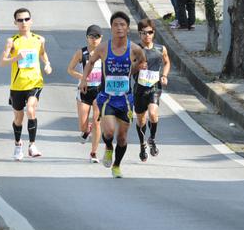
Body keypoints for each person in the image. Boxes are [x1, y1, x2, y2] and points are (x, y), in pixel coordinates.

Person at [79, 11, 146, 178]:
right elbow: (90, 62)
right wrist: (84, 80)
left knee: (122, 138)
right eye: (116, 24)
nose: (119, 28)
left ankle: (116, 165)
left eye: (122, 25)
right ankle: (108, 147)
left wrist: (135, 69)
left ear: (127, 29)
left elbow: (143, 61)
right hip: (107, 97)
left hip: (125, 99)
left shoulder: (134, 49)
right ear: (111, 27)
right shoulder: (103, 47)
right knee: (108, 132)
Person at [0, 8, 52, 161]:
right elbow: (2, 62)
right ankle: (18, 145)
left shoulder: (39, 39)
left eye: (26, 19)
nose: (24, 22)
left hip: (35, 82)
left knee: (30, 109)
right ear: (15, 22)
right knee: (18, 118)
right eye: (20, 20)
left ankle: (32, 145)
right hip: (17, 85)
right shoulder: (12, 41)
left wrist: (47, 64)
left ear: (31, 21)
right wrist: (15, 58)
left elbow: (42, 53)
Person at [133, 19, 170, 162]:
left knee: (153, 114)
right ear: (139, 34)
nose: (147, 35)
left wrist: (164, 75)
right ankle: (142, 145)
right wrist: (137, 66)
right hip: (139, 89)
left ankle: (152, 139)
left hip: (154, 87)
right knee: (141, 120)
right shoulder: (135, 49)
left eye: (149, 32)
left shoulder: (161, 49)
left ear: (153, 33)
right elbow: (129, 68)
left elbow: (167, 62)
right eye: (143, 33)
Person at [67, 24, 104, 163]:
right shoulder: (81, 53)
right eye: (91, 36)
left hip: (99, 91)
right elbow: (70, 69)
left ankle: (94, 153)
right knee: (83, 125)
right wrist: (82, 77)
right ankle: (86, 130)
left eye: (97, 36)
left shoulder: (105, 53)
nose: (94, 39)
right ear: (87, 38)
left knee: (97, 122)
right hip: (84, 90)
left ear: (101, 38)